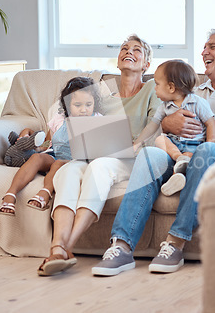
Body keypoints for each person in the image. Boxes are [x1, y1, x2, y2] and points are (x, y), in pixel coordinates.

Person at [92, 29, 215, 276]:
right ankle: (122, 246)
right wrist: (168, 124)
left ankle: (175, 243)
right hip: (182, 156)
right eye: (204, 47)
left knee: (208, 149)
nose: (203, 52)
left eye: (212, 47)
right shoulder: (193, 92)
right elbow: (159, 124)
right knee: (150, 155)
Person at [37, 34, 161, 276]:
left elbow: (156, 124)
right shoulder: (104, 93)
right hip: (91, 155)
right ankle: (56, 246)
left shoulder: (151, 90)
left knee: (100, 166)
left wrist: (135, 143)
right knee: (69, 170)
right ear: (117, 61)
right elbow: (68, 109)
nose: (129, 51)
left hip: (130, 158)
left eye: (137, 50)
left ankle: (65, 248)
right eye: (124, 48)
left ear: (146, 64)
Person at [0, 77, 102, 216]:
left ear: (94, 103)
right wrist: (32, 142)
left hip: (75, 162)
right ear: (67, 104)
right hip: (54, 156)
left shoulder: (97, 120)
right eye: (78, 105)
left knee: (59, 164)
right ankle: (10, 194)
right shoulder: (60, 118)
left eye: (88, 104)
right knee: (37, 158)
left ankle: (45, 193)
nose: (83, 110)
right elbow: (48, 143)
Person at [132, 59, 215, 196]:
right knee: (160, 139)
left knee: (188, 157)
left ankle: (177, 177)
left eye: (157, 84)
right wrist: (136, 145)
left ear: (171, 87)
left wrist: (210, 145)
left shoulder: (198, 102)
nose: (155, 88)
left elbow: (210, 123)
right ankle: (179, 160)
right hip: (173, 147)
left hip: (193, 144)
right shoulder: (164, 107)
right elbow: (151, 126)